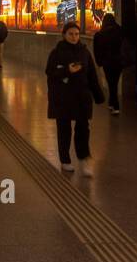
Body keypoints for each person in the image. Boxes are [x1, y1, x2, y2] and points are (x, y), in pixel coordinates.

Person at [45, 22, 105, 176]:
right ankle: (65, 160)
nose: (74, 37)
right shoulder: (56, 53)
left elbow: (92, 75)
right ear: (64, 35)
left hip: (81, 97)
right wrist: (67, 70)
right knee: (64, 128)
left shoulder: (84, 53)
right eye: (71, 34)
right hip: (63, 97)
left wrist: (98, 96)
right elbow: (50, 73)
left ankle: (84, 158)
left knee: (83, 129)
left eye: (76, 34)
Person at [92, 13, 124, 114]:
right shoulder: (120, 31)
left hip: (107, 63)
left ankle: (115, 105)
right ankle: (112, 104)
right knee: (114, 82)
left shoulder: (100, 34)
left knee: (111, 83)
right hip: (118, 62)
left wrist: (99, 62)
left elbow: (96, 50)